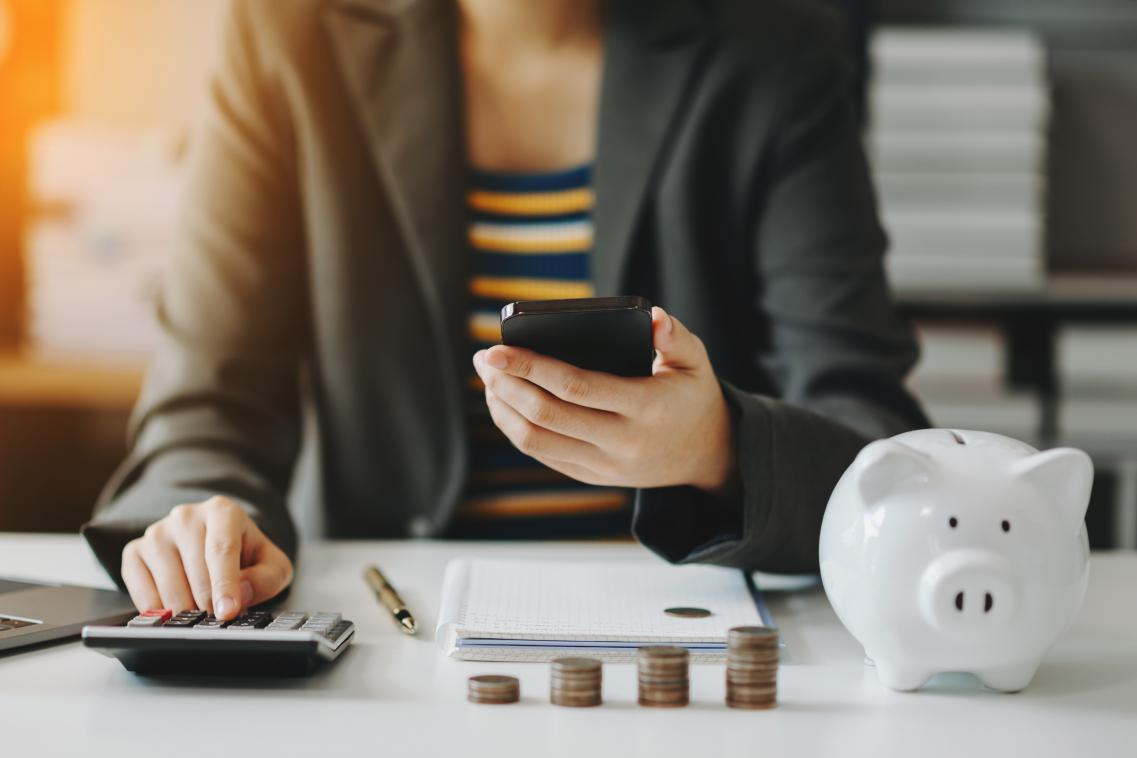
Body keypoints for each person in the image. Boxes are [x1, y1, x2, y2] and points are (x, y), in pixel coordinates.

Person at [83, 0, 928, 621]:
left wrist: (718, 448)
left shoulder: (774, 44)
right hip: (394, 627)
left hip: (691, 630)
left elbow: (868, 427)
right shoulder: (287, 34)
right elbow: (210, 398)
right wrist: (198, 517)